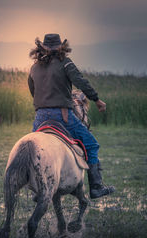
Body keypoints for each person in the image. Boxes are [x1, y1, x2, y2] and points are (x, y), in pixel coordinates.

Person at [28, 33, 115, 199]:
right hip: (62, 115)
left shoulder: (34, 67)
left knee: (32, 150)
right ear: (60, 47)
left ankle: (35, 187)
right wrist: (96, 100)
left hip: (39, 117)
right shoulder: (65, 63)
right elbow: (81, 82)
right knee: (91, 144)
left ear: (42, 47)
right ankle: (96, 187)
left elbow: (33, 91)